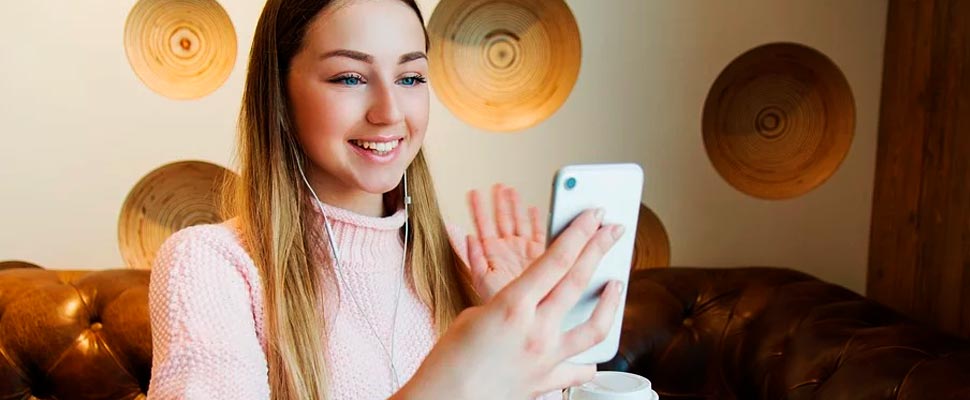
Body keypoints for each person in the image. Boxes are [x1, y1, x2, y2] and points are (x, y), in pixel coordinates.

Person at [146, 0, 625, 399]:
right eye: (350, 78)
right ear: (280, 92)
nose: (390, 111)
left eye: (411, 78)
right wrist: (450, 382)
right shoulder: (211, 265)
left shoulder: (468, 262)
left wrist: (540, 345)